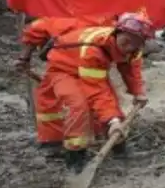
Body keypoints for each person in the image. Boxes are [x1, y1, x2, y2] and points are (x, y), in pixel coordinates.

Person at [14, 13, 152, 173]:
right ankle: (75, 157)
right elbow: (97, 92)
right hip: (63, 69)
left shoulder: (133, 50)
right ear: (116, 33)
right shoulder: (94, 50)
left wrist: (138, 92)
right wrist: (113, 121)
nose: (128, 47)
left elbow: (131, 71)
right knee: (79, 105)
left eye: (135, 44)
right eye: (126, 41)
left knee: (110, 104)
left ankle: (118, 147)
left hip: (88, 68)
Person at [18, 15, 115, 156]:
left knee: (96, 101)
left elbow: (34, 31)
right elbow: (35, 31)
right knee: (84, 101)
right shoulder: (68, 20)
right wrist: (24, 58)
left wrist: (24, 58)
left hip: (85, 66)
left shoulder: (55, 22)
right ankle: (73, 142)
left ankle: (99, 134)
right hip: (72, 66)